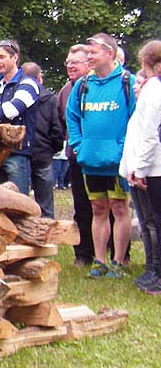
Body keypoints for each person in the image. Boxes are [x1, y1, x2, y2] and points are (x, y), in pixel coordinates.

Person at [66, 33, 135, 278]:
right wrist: (77, 144)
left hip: (117, 162)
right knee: (98, 209)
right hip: (90, 160)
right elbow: (71, 116)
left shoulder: (127, 82)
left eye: (93, 53)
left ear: (109, 53)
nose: (89, 57)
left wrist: (123, 149)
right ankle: (99, 261)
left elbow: (135, 119)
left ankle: (118, 261)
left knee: (119, 208)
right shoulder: (84, 85)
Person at [119, 40, 161, 294]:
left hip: (152, 167)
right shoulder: (151, 88)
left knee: (154, 222)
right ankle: (152, 268)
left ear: (145, 62)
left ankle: (157, 272)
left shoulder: (154, 89)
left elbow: (149, 133)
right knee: (147, 222)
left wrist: (140, 168)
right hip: (147, 165)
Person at [0, 39, 40, 194]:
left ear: (15, 57)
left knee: (18, 204)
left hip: (16, 153)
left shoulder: (29, 84)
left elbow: (12, 110)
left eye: (2, 57)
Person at [57, 44, 95, 266]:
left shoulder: (96, 88)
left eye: (75, 62)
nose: (70, 66)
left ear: (88, 64)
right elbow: (61, 123)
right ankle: (83, 253)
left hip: (101, 157)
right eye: (68, 62)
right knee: (81, 207)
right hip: (75, 157)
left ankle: (114, 253)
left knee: (107, 206)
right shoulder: (65, 91)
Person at [21, 62, 63, 218]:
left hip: (22, 152)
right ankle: (48, 236)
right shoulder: (51, 99)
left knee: (20, 202)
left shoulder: (18, 97)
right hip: (44, 154)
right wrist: (53, 149)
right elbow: (57, 129)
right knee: (45, 204)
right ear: (40, 78)